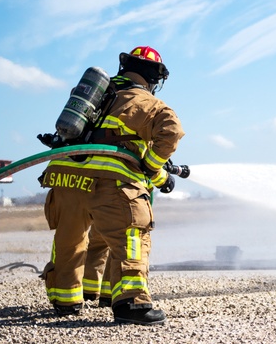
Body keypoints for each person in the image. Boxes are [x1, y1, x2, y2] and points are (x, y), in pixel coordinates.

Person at [40, 46, 184, 325]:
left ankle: (66, 300)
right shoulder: (148, 103)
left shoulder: (93, 97)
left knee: (70, 239)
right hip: (109, 182)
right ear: (154, 78)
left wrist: (156, 173)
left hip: (65, 177)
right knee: (130, 237)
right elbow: (171, 132)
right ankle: (131, 304)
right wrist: (153, 166)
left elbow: (115, 146)